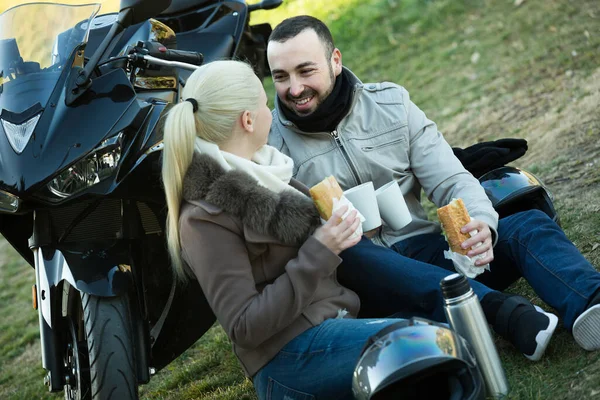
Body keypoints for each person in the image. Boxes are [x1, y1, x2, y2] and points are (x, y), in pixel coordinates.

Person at [161, 61, 560, 400]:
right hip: (288, 356)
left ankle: (493, 314)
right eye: (266, 103)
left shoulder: (268, 171)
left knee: (447, 339)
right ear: (248, 120)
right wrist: (321, 248)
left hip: (341, 320)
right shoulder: (202, 219)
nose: (273, 111)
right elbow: (245, 328)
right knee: (430, 351)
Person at [266, 15, 600, 353]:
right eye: (281, 77)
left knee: (528, 225)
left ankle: (591, 303)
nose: (294, 89)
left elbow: (452, 180)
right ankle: (500, 312)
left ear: (334, 61)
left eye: (306, 71)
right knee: (358, 258)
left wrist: (481, 223)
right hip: (361, 285)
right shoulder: (270, 151)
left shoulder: (391, 105)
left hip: (425, 251)